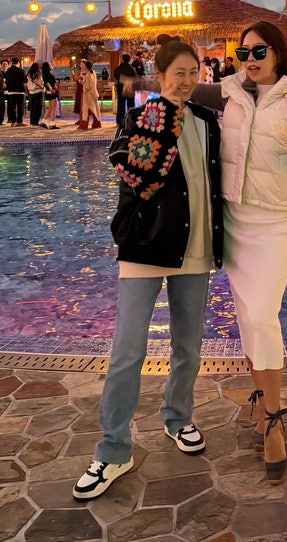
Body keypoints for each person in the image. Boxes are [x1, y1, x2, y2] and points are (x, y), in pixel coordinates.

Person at [73, 38, 223, 501]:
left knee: (188, 347)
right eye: (178, 73)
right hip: (145, 245)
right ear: (160, 76)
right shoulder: (140, 118)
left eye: (194, 72)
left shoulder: (207, 122)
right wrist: (164, 122)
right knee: (127, 351)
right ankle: (113, 448)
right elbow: (130, 171)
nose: (187, 81)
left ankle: (178, 418)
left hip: (195, 248)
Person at [192, 20, 287, 485]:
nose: (249, 60)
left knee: (263, 316)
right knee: (247, 317)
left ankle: (273, 418)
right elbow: (181, 88)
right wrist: (138, 83)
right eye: (242, 53)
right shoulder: (228, 92)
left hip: (275, 222)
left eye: (258, 52)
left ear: (278, 54)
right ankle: (263, 405)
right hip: (233, 221)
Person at [113, 54, 137, 126]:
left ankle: (120, 121)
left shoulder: (118, 69)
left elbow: (116, 76)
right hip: (130, 89)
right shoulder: (132, 69)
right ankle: (131, 120)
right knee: (131, 106)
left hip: (121, 89)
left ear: (122, 59)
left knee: (121, 106)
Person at [78, 60, 102, 130]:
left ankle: (84, 124)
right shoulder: (93, 72)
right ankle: (97, 123)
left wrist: (82, 83)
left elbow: (87, 86)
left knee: (85, 109)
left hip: (88, 94)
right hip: (94, 93)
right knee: (95, 108)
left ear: (86, 66)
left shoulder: (88, 74)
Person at [4, 57, 28, 127]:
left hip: (11, 92)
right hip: (20, 91)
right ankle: (19, 121)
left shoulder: (8, 71)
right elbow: (25, 80)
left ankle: (13, 122)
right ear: (18, 63)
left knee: (12, 107)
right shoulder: (21, 71)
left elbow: (5, 81)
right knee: (20, 107)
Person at [26, 62, 45, 128]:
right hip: (37, 92)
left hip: (31, 93)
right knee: (37, 108)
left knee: (32, 108)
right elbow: (41, 83)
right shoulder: (38, 75)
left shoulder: (28, 75)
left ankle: (32, 122)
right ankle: (35, 122)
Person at [41, 61, 59, 129]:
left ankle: (43, 121)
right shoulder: (48, 75)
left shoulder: (45, 74)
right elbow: (47, 83)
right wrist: (51, 89)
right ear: (47, 67)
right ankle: (52, 123)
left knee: (51, 108)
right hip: (51, 92)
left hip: (49, 92)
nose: (51, 65)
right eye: (50, 64)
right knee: (53, 108)